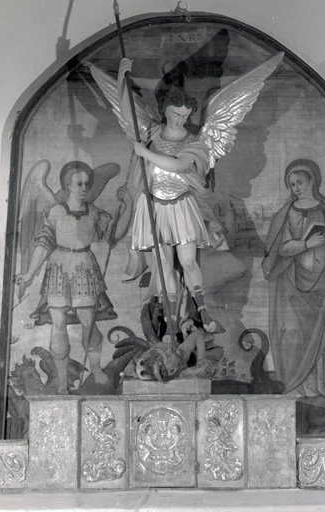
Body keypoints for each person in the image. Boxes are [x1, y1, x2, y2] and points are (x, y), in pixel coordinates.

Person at [117, 58, 227, 337]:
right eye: (175, 114)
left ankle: (203, 311)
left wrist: (145, 153)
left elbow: (177, 166)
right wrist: (122, 78)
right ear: (165, 110)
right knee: (164, 266)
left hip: (181, 204)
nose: (180, 120)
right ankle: (172, 324)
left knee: (188, 261)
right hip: (154, 206)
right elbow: (128, 114)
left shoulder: (194, 143)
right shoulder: (151, 132)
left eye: (184, 116)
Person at [16, 161, 133, 394]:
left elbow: (114, 236)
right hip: (59, 268)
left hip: (84, 268)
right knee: (58, 326)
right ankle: (61, 382)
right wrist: (29, 274)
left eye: (87, 183)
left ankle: (96, 369)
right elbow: (44, 243)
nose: (85, 187)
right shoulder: (56, 211)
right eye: (79, 183)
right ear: (67, 185)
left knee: (89, 324)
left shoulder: (94, 212)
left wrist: (128, 206)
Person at [262, 159, 325, 398]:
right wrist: (306, 244)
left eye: (300, 182)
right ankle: (299, 384)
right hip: (294, 284)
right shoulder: (287, 213)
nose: (296, 188)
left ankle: (323, 383)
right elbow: (279, 249)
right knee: (295, 335)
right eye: (292, 184)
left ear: (312, 181)